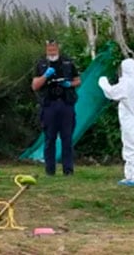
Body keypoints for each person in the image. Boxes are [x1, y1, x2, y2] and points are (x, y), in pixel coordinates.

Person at [98, 58, 134, 186]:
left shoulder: (126, 84)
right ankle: (130, 175)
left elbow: (111, 93)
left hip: (130, 121)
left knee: (131, 149)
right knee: (131, 147)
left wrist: (103, 82)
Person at [32, 39, 81, 176]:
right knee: (49, 138)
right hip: (49, 105)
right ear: (46, 49)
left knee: (67, 138)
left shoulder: (68, 62)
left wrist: (69, 84)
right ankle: (50, 170)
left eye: (54, 48)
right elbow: (35, 85)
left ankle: (68, 170)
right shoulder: (41, 64)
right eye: (49, 49)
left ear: (58, 48)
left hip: (65, 103)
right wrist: (45, 76)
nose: (51, 51)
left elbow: (77, 80)